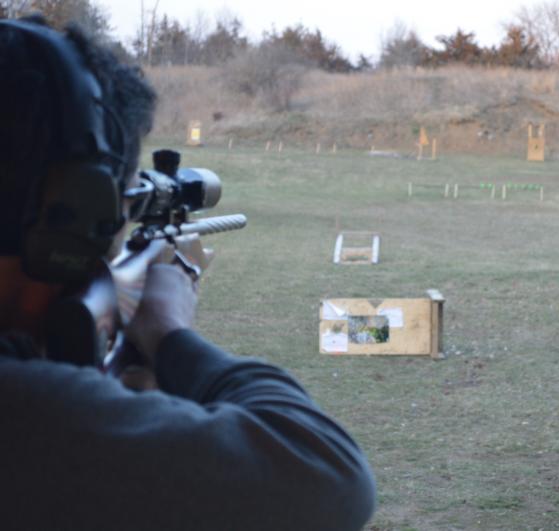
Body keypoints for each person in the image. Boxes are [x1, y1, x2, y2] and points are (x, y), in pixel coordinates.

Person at [0, 16, 376, 531]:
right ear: (72, 212)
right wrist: (171, 331)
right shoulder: (25, 414)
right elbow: (327, 477)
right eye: (120, 208)